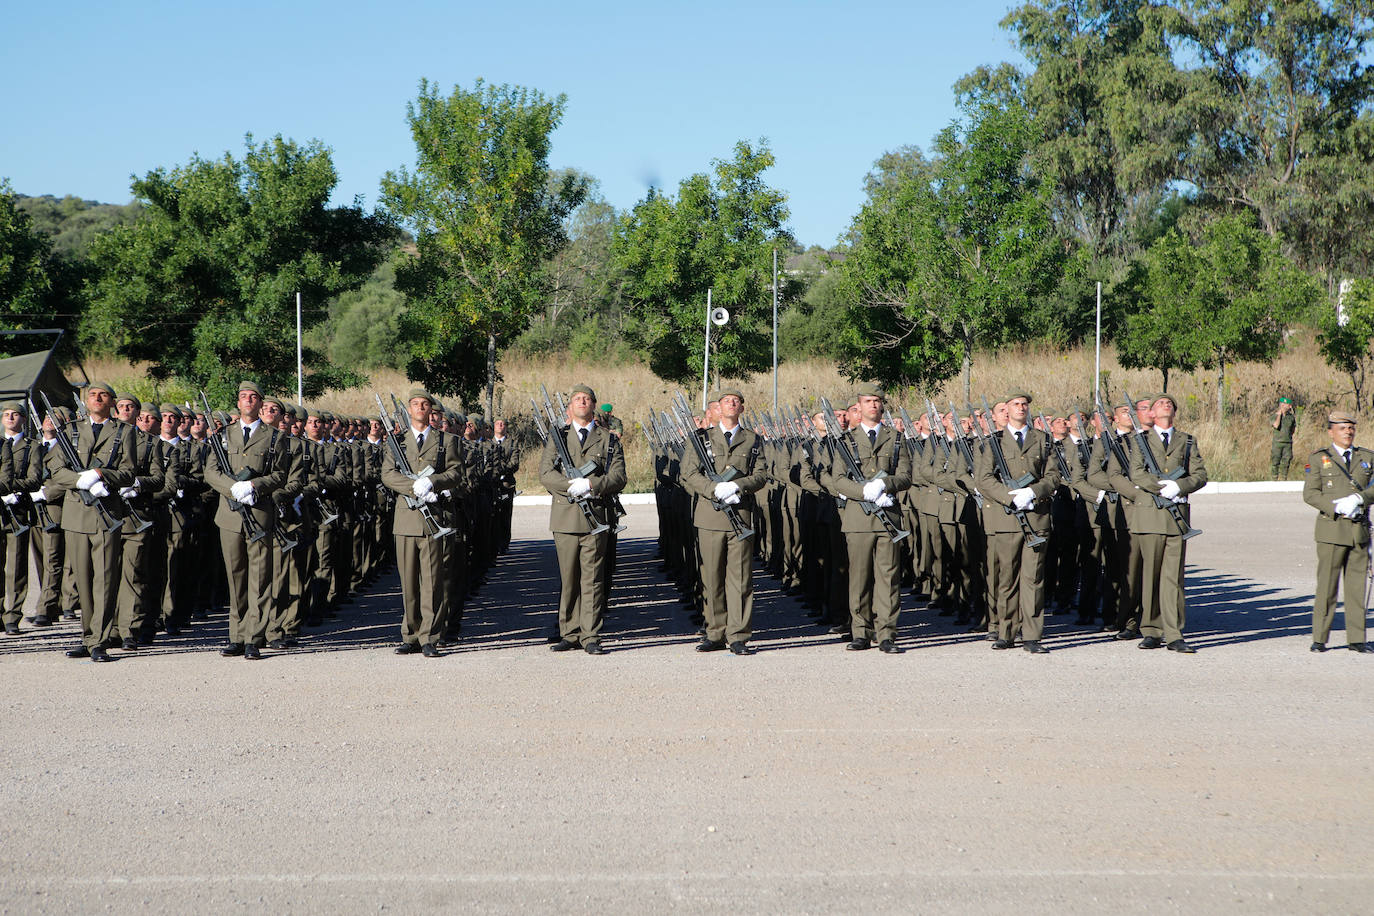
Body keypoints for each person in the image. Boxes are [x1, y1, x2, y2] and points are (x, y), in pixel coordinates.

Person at [45, 383, 137, 662]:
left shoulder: (125, 432)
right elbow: (56, 468)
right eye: (92, 395)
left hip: (106, 513)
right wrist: (78, 480)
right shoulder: (71, 430)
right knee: (82, 580)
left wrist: (100, 474)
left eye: (103, 395)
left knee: (106, 579)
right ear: (85, 402)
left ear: (112, 402)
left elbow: (129, 472)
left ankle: (100, 639)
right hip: (76, 514)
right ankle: (87, 636)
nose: (97, 398)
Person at [818, 384, 912, 653]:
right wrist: (864, 492)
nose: (873, 405)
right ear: (858, 407)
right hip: (858, 518)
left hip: (888, 516)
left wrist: (885, 486)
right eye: (868, 401)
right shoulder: (846, 442)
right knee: (859, 577)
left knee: (888, 577)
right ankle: (860, 631)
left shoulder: (896, 438)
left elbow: (906, 476)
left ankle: (886, 633)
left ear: (882, 406)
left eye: (877, 401)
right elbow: (837, 480)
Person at [203, 381, 290, 660]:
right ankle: (236, 636)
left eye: (253, 397)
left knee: (260, 577)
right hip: (229, 516)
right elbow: (211, 471)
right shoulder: (223, 435)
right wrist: (232, 488)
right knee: (236, 576)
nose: (248, 400)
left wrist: (254, 486)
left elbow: (280, 474)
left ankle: (254, 636)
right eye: (243, 396)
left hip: (259, 513)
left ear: (261, 404)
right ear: (238, 403)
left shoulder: (274, 437)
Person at [539, 384, 626, 655]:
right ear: (570, 407)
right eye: (577, 398)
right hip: (566, 517)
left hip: (596, 517)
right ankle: (569, 632)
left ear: (593, 406)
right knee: (569, 578)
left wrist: (590, 485)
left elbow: (619, 476)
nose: (582, 402)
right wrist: (569, 486)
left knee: (593, 579)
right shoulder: (558, 437)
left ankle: (590, 635)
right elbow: (545, 473)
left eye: (587, 399)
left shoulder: (609, 439)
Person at [681, 387, 768, 655]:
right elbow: (688, 473)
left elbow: (762, 474)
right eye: (726, 401)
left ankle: (739, 635)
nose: (731, 404)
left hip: (740, 516)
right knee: (711, 577)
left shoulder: (752, 440)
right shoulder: (701, 439)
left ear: (742, 408)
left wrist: (737, 487)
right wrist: (713, 489)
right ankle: (715, 633)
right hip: (710, 517)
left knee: (741, 579)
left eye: (736, 401)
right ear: (718, 408)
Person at [380, 389, 466, 657]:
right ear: (408, 410)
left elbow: (456, 472)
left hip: (433, 519)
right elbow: (387, 474)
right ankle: (411, 634)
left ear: (431, 410)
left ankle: (430, 636)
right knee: (408, 581)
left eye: (424, 404)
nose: (419, 408)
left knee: (432, 580)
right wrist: (413, 486)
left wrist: (433, 482)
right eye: (415, 404)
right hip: (406, 519)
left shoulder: (447, 440)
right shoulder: (397, 442)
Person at [974, 392, 1061, 654]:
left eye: (1024, 404)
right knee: (1007, 578)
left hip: (1036, 517)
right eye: (1015, 404)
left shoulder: (1042, 440)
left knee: (1033, 578)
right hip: (1006, 518)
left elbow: (1054, 476)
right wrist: (1009, 497)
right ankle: (1006, 632)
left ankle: (1032, 636)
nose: (1021, 408)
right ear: (1006, 410)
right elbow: (984, 479)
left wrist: (1033, 492)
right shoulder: (992, 443)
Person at [1125, 393, 1207, 654]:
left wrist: (1179, 486)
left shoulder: (1187, 440)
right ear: (1150, 414)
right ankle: (1150, 629)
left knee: (1173, 578)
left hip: (1176, 517)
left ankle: (1173, 632)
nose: (1165, 405)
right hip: (1150, 515)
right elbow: (1136, 472)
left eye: (1169, 403)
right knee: (1151, 575)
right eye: (1160, 403)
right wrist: (1162, 488)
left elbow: (1200, 475)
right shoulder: (1141, 441)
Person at [1302, 410, 1374, 653]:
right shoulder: (1319, 458)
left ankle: (1356, 639)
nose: (1348, 432)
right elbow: (1310, 494)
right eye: (1342, 428)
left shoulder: (1367, 457)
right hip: (1331, 531)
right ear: (1331, 431)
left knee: (1356, 587)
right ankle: (1320, 638)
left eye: (1351, 428)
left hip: (1358, 531)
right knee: (1327, 587)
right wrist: (1335, 508)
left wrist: (1358, 498)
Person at [1271, 397, 1297, 480]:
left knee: (1286, 461)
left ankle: (1284, 479)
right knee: (1275, 461)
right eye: (1285, 404)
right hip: (1278, 442)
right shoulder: (1275, 415)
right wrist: (1279, 414)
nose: (1288, 406)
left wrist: (1289, 436)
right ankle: (1274, 479)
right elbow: (1276, 425)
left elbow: (1293, 429)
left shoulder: (1291, 417)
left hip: (1287, 442)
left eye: (1288, 405)